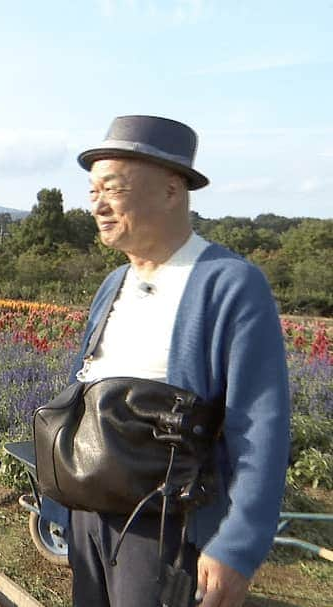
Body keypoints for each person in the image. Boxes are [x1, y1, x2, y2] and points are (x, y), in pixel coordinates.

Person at [67, 115, 291, 607]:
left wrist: (237, 545)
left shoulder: (229, 283)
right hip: (90, 517)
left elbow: (261, 426)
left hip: (166, 529)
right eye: (92, 191)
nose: (97, 205)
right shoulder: (114, 284)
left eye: (113, 188)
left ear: (171, 190)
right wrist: (63, 503)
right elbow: (80, 395)